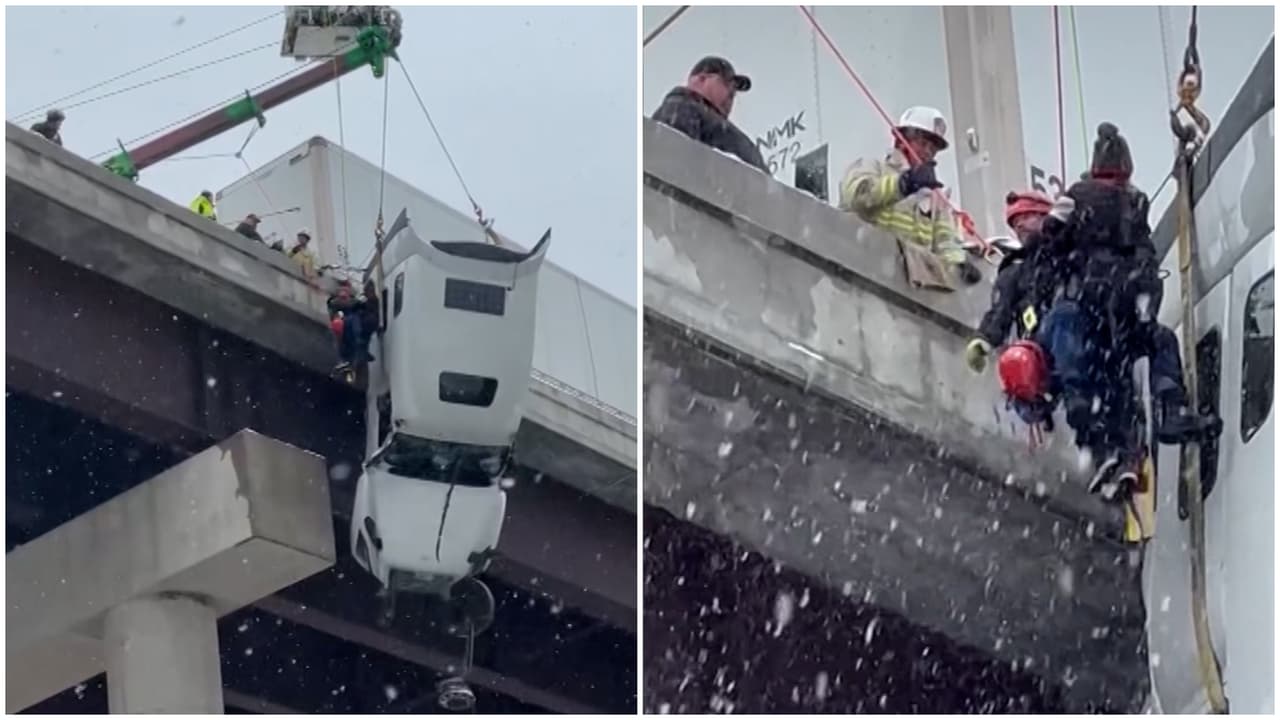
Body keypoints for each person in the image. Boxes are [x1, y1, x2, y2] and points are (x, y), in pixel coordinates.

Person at [838, 106, 982, 287]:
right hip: (867, 271)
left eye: (933, 148)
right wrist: (903, 184)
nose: (928, 151)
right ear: (901, 140)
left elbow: (945, 240)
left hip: (909, 287)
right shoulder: (872, 167)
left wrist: (959, 264)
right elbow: (857, 197)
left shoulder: (935, 197)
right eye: (922, 143)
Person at [651, 56, 767, 172]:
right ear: (702, 79)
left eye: (733, 94)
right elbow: (671, 162)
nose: (731, 96)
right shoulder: (680, 108)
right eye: (726, 84)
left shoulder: (719, 126)